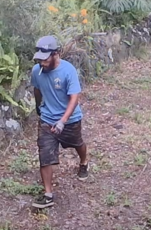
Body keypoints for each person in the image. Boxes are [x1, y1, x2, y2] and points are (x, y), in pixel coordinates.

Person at [30, 35, 88, 209]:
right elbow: (37, 88)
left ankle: (84, 162)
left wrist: (63, 121)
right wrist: (38, 107)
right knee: (45, 154)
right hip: (47, 119)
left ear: (55, 54)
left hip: (70, 120)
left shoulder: (68, 70)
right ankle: (48, 194)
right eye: (39, 59)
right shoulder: (37, 70)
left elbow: (74, 99)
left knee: (77, 143)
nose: (42, 63)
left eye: (45, 59)